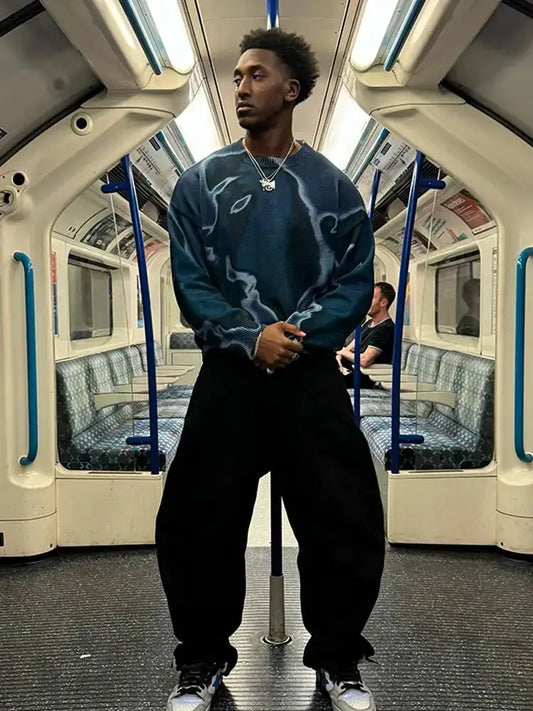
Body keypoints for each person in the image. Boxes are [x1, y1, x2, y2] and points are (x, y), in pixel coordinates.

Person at [155, 28, 384, 711]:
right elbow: (191, 277)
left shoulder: (335, 190)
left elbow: (353, 281)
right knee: (200, 518)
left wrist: (297, 338)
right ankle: (200, 658)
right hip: (230, 373)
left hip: (309, 375)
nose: (240, 88)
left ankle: (337, 659)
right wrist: (248, 336)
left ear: (291, 89)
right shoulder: (199, 185)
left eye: (255, 76)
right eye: (235, 77)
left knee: (342, 516)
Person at [337, 282, 396, 389]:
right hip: (348, 370)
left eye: (371, 298)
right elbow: (349, 348)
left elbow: (364, 360)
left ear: (383, 303)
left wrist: (341, 351)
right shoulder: (368, 324)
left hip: (362, 378)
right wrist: (339, 358)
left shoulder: (386, 328)